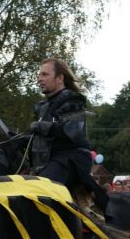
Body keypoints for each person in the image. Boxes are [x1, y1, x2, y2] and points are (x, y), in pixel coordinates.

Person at [29, 57, 109, 210]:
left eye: (45, 74)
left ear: (59, 78)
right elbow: (37, 138)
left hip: (71, 159)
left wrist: (41, 126)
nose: (40, 79)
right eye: (39, 75)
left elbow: (71, 130)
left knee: (39, 189)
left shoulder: (74, 100)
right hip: (47, 161)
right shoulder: (42, 107)